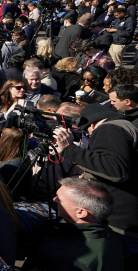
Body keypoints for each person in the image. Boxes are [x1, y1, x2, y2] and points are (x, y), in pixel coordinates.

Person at [53, 103, 138, 262]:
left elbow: (116, 170)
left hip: (119, 224)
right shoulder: (126, 126)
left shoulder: (109, 129)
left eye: (88, 131)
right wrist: (89, 175)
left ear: (92, 124)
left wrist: (69, 149)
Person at [0, 128, 30, 199]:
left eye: (2, 135)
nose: (0, 136)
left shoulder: (10, 168)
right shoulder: (9, 157)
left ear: (6, 141)